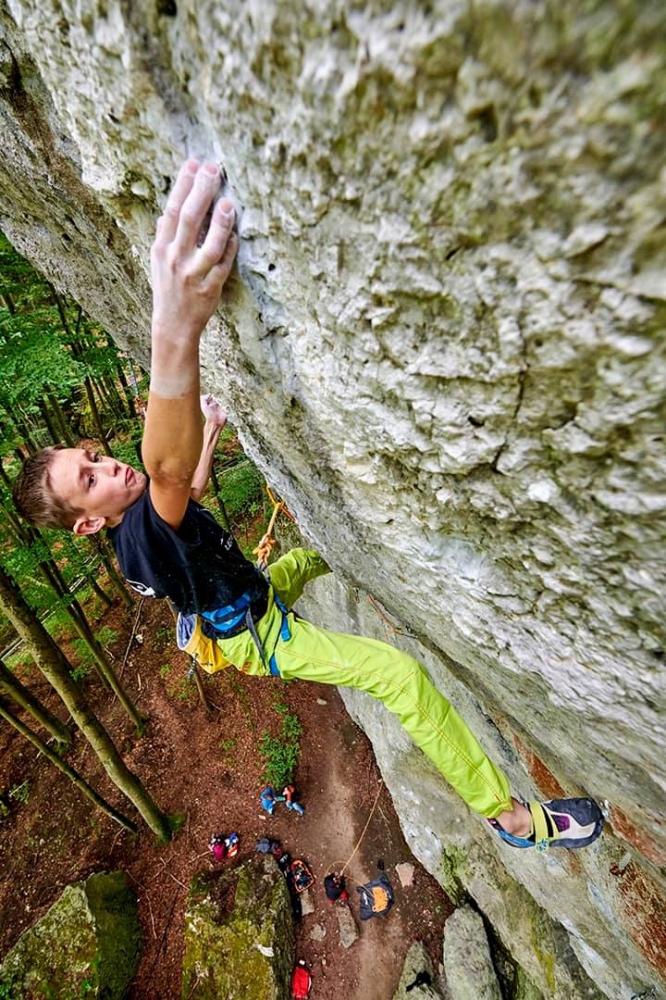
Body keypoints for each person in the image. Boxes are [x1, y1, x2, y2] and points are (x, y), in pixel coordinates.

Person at [12, 160, 604, 853]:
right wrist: (175, 323)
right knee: (400, 676)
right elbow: (166, 469)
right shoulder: (137, 540)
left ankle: (342, 562)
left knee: (312, 555)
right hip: (265, 637)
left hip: (253, 598)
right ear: (89, 523)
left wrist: (213, 438)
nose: (105, 465)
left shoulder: (146, 525)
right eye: (88, 481)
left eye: (89, 456)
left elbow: (186, 488)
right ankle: (509, 819)